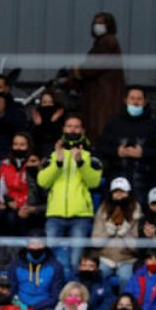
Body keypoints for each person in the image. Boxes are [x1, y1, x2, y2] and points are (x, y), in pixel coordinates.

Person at [39, 115, 104, 273]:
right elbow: (42, 181)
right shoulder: (53, 154)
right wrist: (58, 163)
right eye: (69, 126)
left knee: (76, 261)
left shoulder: (91, 155)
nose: (72, 130)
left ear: (82, 130)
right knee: (50, 259)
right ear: (63, 129)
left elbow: (94, 182)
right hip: (55, 213)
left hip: (80, 215)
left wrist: (81, 163)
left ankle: (75, 296)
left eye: (76, 127)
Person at [96, 87, 156, 197]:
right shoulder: (113, 123)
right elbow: (100, 148)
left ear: (145, 102)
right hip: (116, 181)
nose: (136, 102)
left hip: (145, 182)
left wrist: (143, 153)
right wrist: (117, 152)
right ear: (126, 100)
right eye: (132, 98)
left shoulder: (154, 124)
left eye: (139, 99)